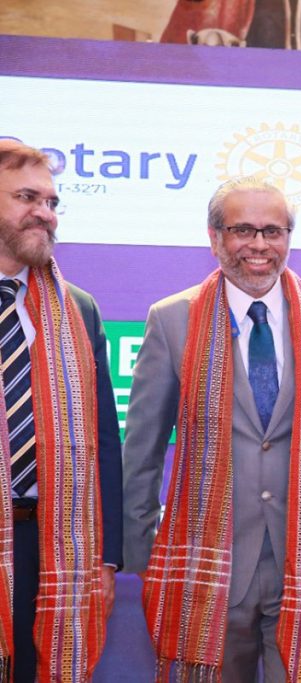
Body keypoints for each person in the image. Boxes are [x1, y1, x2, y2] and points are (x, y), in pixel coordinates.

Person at [122, 176, 301, 682]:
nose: (259, 245)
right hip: (207, 567)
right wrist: (146, 555)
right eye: (243, 230)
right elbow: (142, 450)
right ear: (215, 238)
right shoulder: (173, 320)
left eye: (273, 231)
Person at [0, 140, 122, 682]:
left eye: (51, 202)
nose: (45, 213)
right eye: (27, 197)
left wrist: (107, 557)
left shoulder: (78, 308)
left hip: (56, 545)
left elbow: (105, 441)